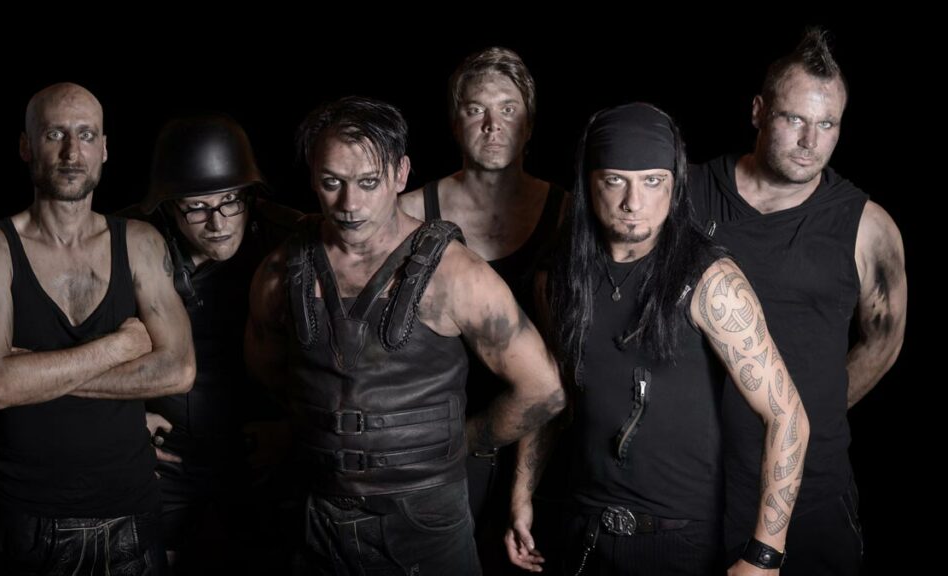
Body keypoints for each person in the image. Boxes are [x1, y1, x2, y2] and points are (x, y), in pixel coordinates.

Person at [246, 95, 565, 573]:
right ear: (312, 177)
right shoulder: (280, 271)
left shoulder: (457, 275)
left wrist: (463, 439)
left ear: (400, 174)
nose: (350, 204)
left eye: (368, 182)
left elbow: (544, 389)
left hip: (423, 518)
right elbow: (269, 372)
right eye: (332, 182)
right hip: (318, 512)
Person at [506, 103, 809, 575]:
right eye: (615, 180)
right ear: (589, 182)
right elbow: (550, 394)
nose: (633, 202)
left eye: (652, 181)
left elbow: (786, 415)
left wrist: (765, 554)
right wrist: (521, 496)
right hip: (580, 528)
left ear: (674, 185)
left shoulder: (710, 282)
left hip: (678, 539)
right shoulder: (559, 278)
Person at [689, 29, 906, 574]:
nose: (811, 140)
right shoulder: (687, 196)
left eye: (828, 124)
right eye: (794, 119)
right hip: (690, 484)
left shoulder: (866, 226)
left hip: (810, 488)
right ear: (758, 111)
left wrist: (803, 415)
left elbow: (883, 342)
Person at [0, 82, 195, 574]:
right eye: (54, 134)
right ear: (26, 146)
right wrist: (119, 347)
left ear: (104, 149)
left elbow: (178, 371)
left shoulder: (141, 243)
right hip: (25, 520)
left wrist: (35, 376)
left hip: (131, 511)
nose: (71, 152)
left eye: (86, 135)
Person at [398, 47, 568, 535]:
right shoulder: (409, 213)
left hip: (543, 434)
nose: (493, 125)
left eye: (508, 109)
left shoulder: (566, 214)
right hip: (439, 439)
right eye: (476, 110)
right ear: (456, 124)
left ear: (529, 125)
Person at [132, 113, 302, 573]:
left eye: (230, 201)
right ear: (169, 207)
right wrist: (119, 423)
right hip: (166, 461)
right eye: (197, 207)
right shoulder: (128, 244)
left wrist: (297, 430)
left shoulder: (291, 240)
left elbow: (345, 359)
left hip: (260, 454)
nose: (218, 222)